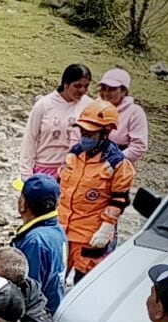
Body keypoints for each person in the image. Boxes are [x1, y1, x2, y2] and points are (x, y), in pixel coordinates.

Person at [58, 99, 136, 279]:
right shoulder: (75, 153)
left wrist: (106, 227)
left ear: (105, 132)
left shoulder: (117, 164)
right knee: (54, 278)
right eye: (83, 132)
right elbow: (61, 186)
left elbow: (119, 200)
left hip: (90, 237)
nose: (85, 136)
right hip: (63, 229)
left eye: (90, 134)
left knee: (83, 282)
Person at [19, 63, 92, 180]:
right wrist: (26, 173)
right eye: (77, 86)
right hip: (44, 169)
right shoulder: (44, 104)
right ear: (66, 84)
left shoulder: (89, 105)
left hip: (74, 171)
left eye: (86, 86)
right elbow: (30, 138)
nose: (82, 90)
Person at [11, 174, 67, 314]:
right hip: (52, 307)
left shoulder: (34, 242)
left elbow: (27, 293)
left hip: (36, 317)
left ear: (22, 204)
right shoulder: (56, 230)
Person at [98, 67, 148, 166]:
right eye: (103, 88)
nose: (106, 93)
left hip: (118, 164)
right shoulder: (95, 107)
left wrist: (113, 159)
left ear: (123, 91)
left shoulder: (134, 112)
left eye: (112, 89)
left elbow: (139, 146)